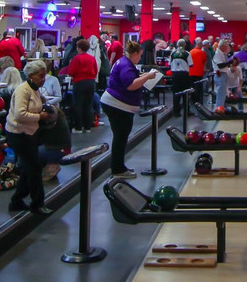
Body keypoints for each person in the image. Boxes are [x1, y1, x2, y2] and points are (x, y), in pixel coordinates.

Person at [100, 40, 157, 178]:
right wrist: (148, 77)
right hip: (117, 106)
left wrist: (145, 76)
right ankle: (118, 169)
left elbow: (133, 78)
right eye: (140, 55)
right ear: (135, 53)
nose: (140, 58)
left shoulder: (123, 62)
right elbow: (130, 85)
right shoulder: (126, 65)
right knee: (120, 138)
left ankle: (118, 166)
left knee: (120, 137)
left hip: (117, 105)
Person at [4, 59, 53, 215]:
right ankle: (37, 204)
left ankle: (16, 201)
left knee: (28, 168)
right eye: (40, 76)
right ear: (31, 76)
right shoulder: (22, 90)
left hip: (30, 133)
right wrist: (39, 116)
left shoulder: (35, 89)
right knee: (34, 167)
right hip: (18, 134)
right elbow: (19, 114)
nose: (43, 79)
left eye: (44, 75)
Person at [62, 39, 97, 133]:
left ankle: (78, 127)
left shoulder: (76, 58)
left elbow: (71, 72)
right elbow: (95, 70)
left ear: (79, 48)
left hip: (80, 82)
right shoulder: (92, 58)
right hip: (91, 83)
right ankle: (88, 127)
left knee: (78, 105)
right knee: (88, 105)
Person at [168, 39, 192, 116]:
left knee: (176, 94)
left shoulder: (173, 53)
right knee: (185, 94)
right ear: (184, 45)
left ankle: (176, 112)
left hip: (175, 75)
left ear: (177, 45)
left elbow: (169, 64)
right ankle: (186, 111)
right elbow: (191, 64)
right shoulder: (187, 53)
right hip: (184, 75)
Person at [212, 38, 232, 109]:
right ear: (223, 46)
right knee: (221, 93)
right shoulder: (217, 53)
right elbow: (220, 65)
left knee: (223, 93)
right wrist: (229, 63)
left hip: (223, 74)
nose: (228, 48)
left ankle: (221, 107)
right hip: (220, 75)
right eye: (227, 47)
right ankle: (219, 108)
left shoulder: (222, 53)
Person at [189, 37, 207, 106]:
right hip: (199, 72)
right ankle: (197, 101)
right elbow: (204, 63)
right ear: (200, 45)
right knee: (198, 87)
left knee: (192, 87)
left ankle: (192, 100)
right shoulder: (202, 53)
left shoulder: (191, 52)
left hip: (191, 72)